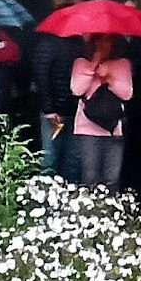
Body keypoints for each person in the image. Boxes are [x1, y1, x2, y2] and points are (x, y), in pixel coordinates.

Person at [69, 34, 135, 189]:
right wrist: (93, 66)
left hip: (113, 129)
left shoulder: (123, 64)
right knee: (90, 178)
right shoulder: (81, 63)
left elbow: (127, 92)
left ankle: (111, 210)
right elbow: (76, 89)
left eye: (107, 41)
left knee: (112, 178)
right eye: (99, 40)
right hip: (88, 128)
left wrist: (109, 78)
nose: (103, 45)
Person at [31, 29, 84, 180]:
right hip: (56, 112)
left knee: (71, 161)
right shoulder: (50, 44)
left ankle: (63, 198)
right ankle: (48, 196)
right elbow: (41, 76)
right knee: (51, 159)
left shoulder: (48, 44)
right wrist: (48, 109)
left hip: (73, 111)